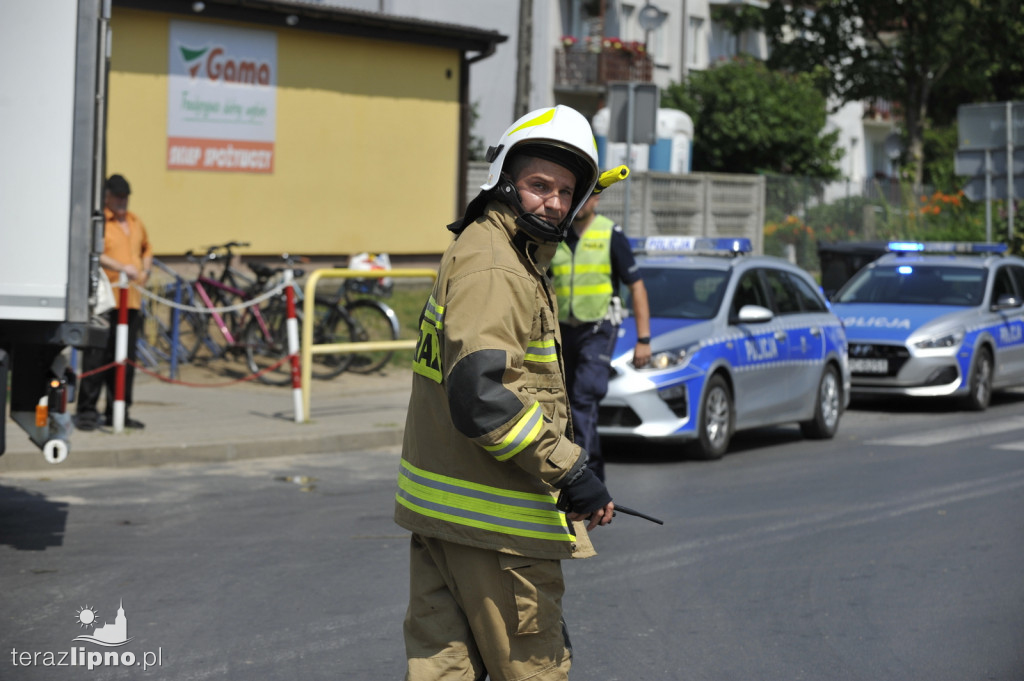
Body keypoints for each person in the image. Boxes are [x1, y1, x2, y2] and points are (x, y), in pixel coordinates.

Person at [395, 105, 615, 681]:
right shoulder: (499, 266)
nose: (556, 203)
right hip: (500, 532)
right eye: (541, 185)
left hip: (448, 517)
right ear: (505, 181)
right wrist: (570, 470)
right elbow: (482, 394)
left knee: (443, 672)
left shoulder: (488, 249)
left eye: (567, 192)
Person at [549, 191, 651, 482]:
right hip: (564, 329)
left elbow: (637, 287)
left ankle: (581, 478)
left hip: (599, 329)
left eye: (586, 199)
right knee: (567, 403)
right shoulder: (558, 234)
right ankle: (594, 479)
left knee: (583, 396)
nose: (580, 205)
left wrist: (644, 339)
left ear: (596, 201)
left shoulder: (610, 234)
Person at [76, 174, 153, 431]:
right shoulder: (102, 223)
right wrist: (123, 269)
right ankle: (87, 411)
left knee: (125, 359)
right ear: (108, 196)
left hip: (130, 300)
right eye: (118, 196)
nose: (122, 201)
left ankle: (119, 410)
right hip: (106, 301)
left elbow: (146, 248)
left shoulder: (134, 222)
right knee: (97, 357)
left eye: (125, 197)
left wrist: (145, 270)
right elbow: (94, 252)